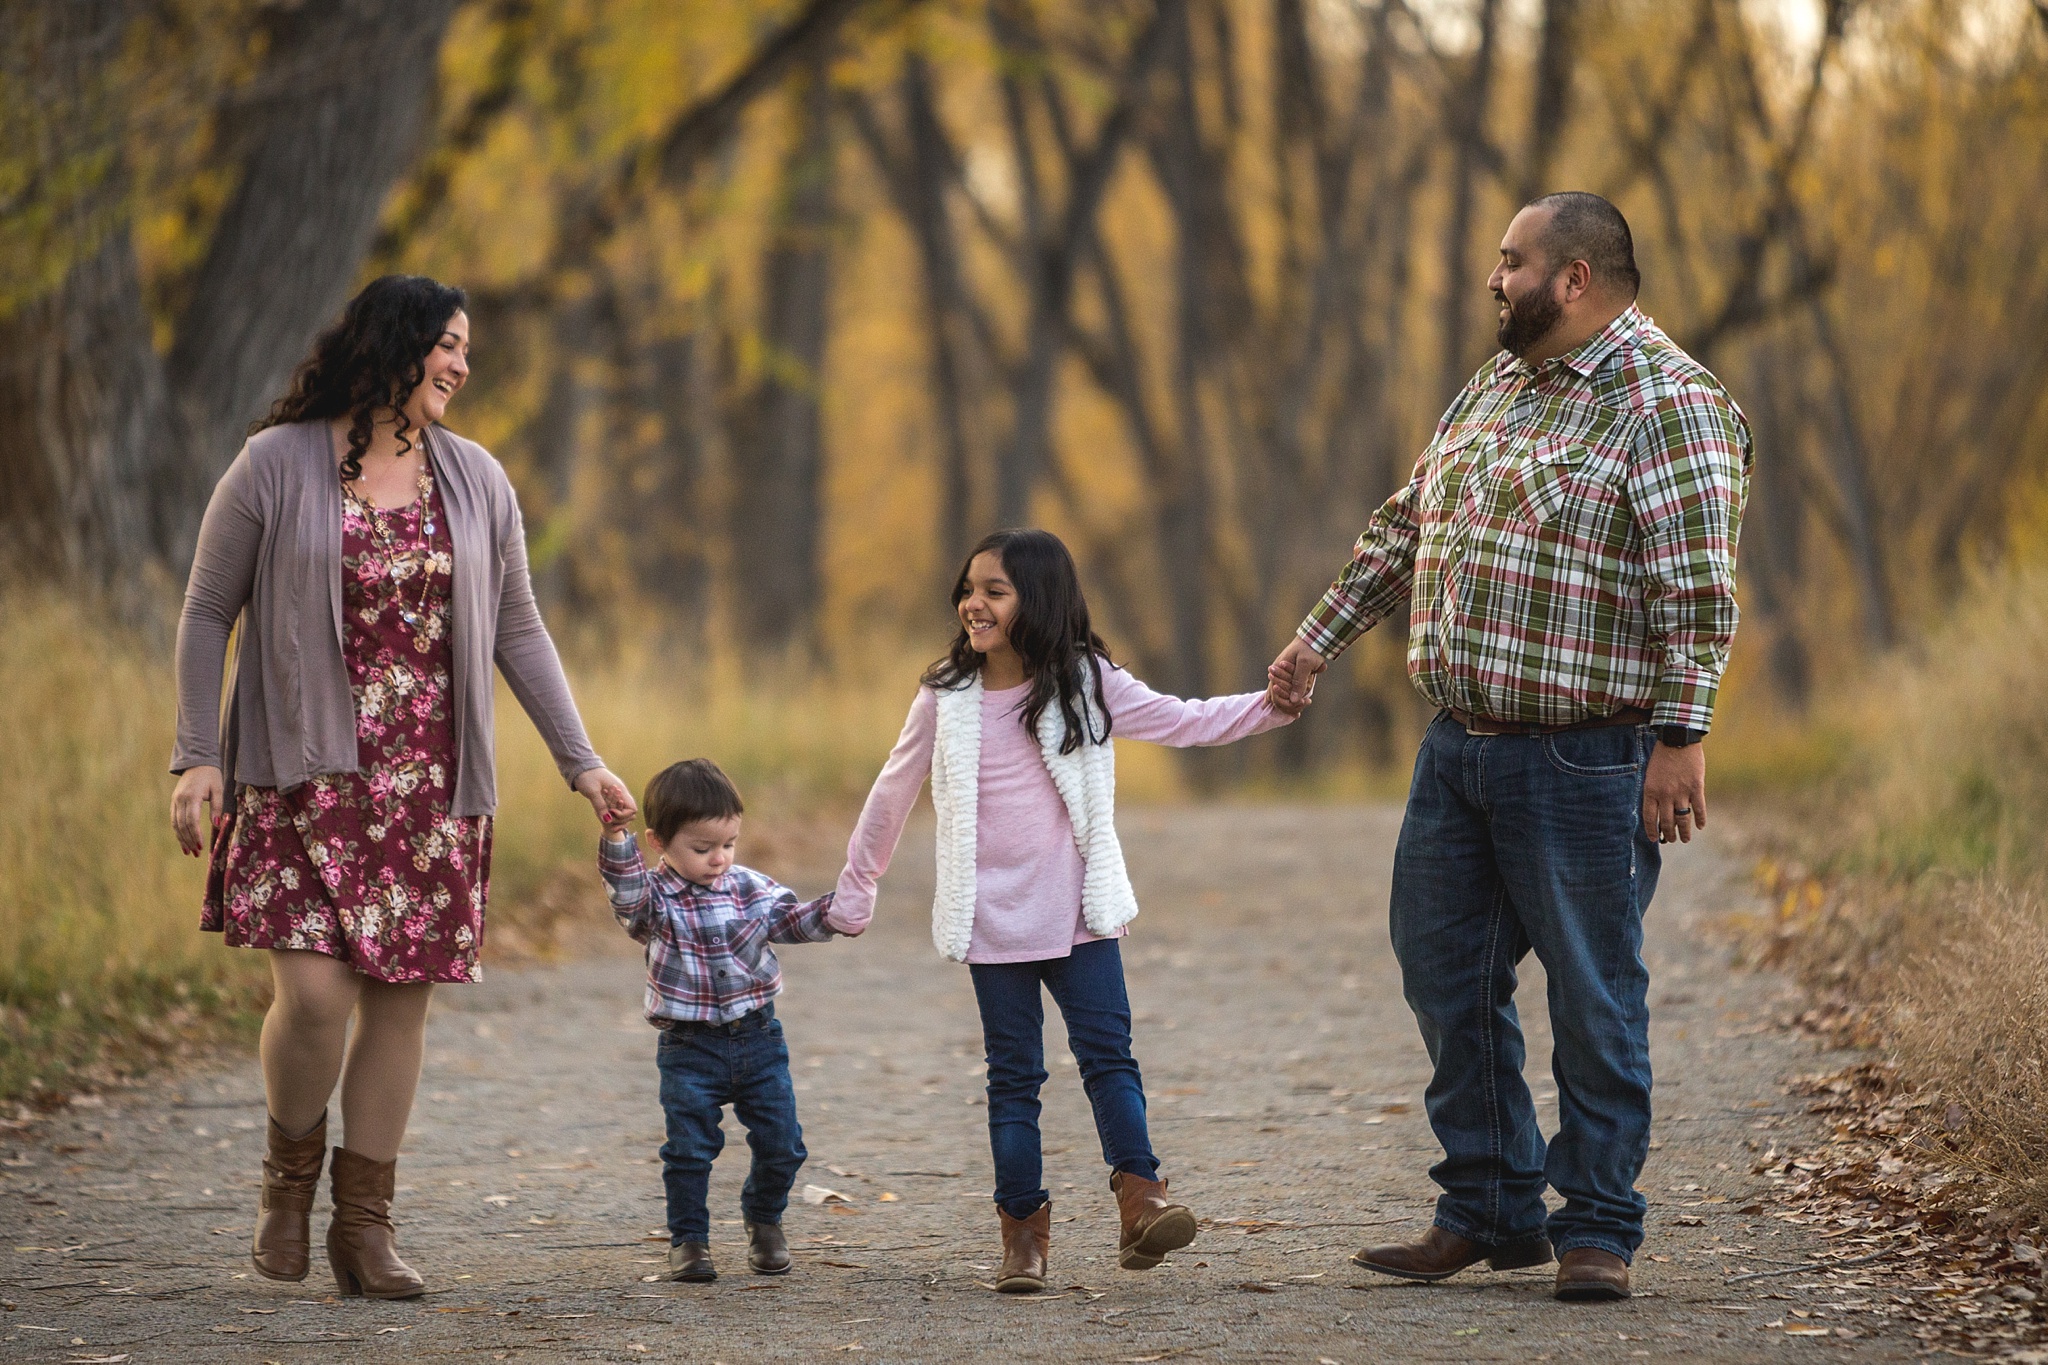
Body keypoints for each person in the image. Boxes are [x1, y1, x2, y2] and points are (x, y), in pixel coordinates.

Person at [1267, 192, 1752, 1302]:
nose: (1494, 279)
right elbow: (1407, 523)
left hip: (1587, 757)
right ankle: (1488, 1207)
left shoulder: (1668, 403)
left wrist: (1681, 736)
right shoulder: (1495, 385)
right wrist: (1314, 642)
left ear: (1572, 277)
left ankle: (1596, 1227)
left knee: (1591, 993)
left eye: (1510, 261)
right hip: (1459, 748)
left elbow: (1695, 589)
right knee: (1442, 970)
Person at [169, 275, 636, 1300]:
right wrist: (197, 754)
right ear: (397, 343)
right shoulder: (273, 465)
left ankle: (363, 1228)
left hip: (430, 785)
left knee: (397, 1005)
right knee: (316, 996)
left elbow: (518, 628)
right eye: (450, 346)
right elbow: (209, 610)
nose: (463, 367)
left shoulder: (477, 480)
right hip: (302, 776)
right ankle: (286, 1183)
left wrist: (580, 758)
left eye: (467, 350)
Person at [832, 528, 1296, 1294]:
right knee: (1014, 1079)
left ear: (1037, 601)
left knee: (1110, 1058)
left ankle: (1142, 1199)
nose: (973, 603)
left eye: (995, 591)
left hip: (1081, 914)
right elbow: (892, 790)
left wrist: (1269, 708)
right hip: (992, 923)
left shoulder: (1086, 681)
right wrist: (857, 889)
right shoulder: (946, 697)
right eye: (970, 588)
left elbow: (1182, 719)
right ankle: (1023, 1235)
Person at [599, 758, 858, 1283]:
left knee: (783, 1142)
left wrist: (836, 912)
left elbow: (791, 920)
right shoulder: (654, 898)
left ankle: (764, 1220)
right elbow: (625, 895)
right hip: (689, 1047)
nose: (719, 858)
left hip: (758, 1036)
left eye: (728, 844)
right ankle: (689, 1240)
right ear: (659, 842)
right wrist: (616, 834)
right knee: (690, 1148)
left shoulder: (749, 887)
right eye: (702, 848)